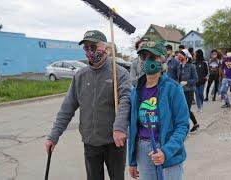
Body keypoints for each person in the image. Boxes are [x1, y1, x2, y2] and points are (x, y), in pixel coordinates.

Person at [45, 30, 131, 180]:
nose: (90, 51)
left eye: (93, 47)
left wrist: (120, 127)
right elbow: (67, 108)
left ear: (106, 48)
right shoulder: (80, 76)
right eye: (86, 48)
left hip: (115, 142)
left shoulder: (120, 73)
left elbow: (126, 102)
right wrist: (53, 136)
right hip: (91, 142)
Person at [128, 41, 189, 180]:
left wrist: (166, 152)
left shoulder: (173, 89)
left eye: (152, 57)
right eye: (144, 56)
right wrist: (131, 161)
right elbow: (132, 127)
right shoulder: (136, 92)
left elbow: (183, 125)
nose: (147, 60)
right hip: (143, 150)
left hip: (167, 149)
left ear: (162, 60)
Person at [177, 50, 199, 132]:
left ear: (186, 56)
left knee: (186, 109)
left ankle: (185, 128)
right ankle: (195, 124)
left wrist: (186, 82)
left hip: (189, 91)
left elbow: (196, 79)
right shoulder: (179, 66)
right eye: (178, 56)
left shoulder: (192, 66)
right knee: (183, 109)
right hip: (180, 91)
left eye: (180, 56)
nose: (179, 57)